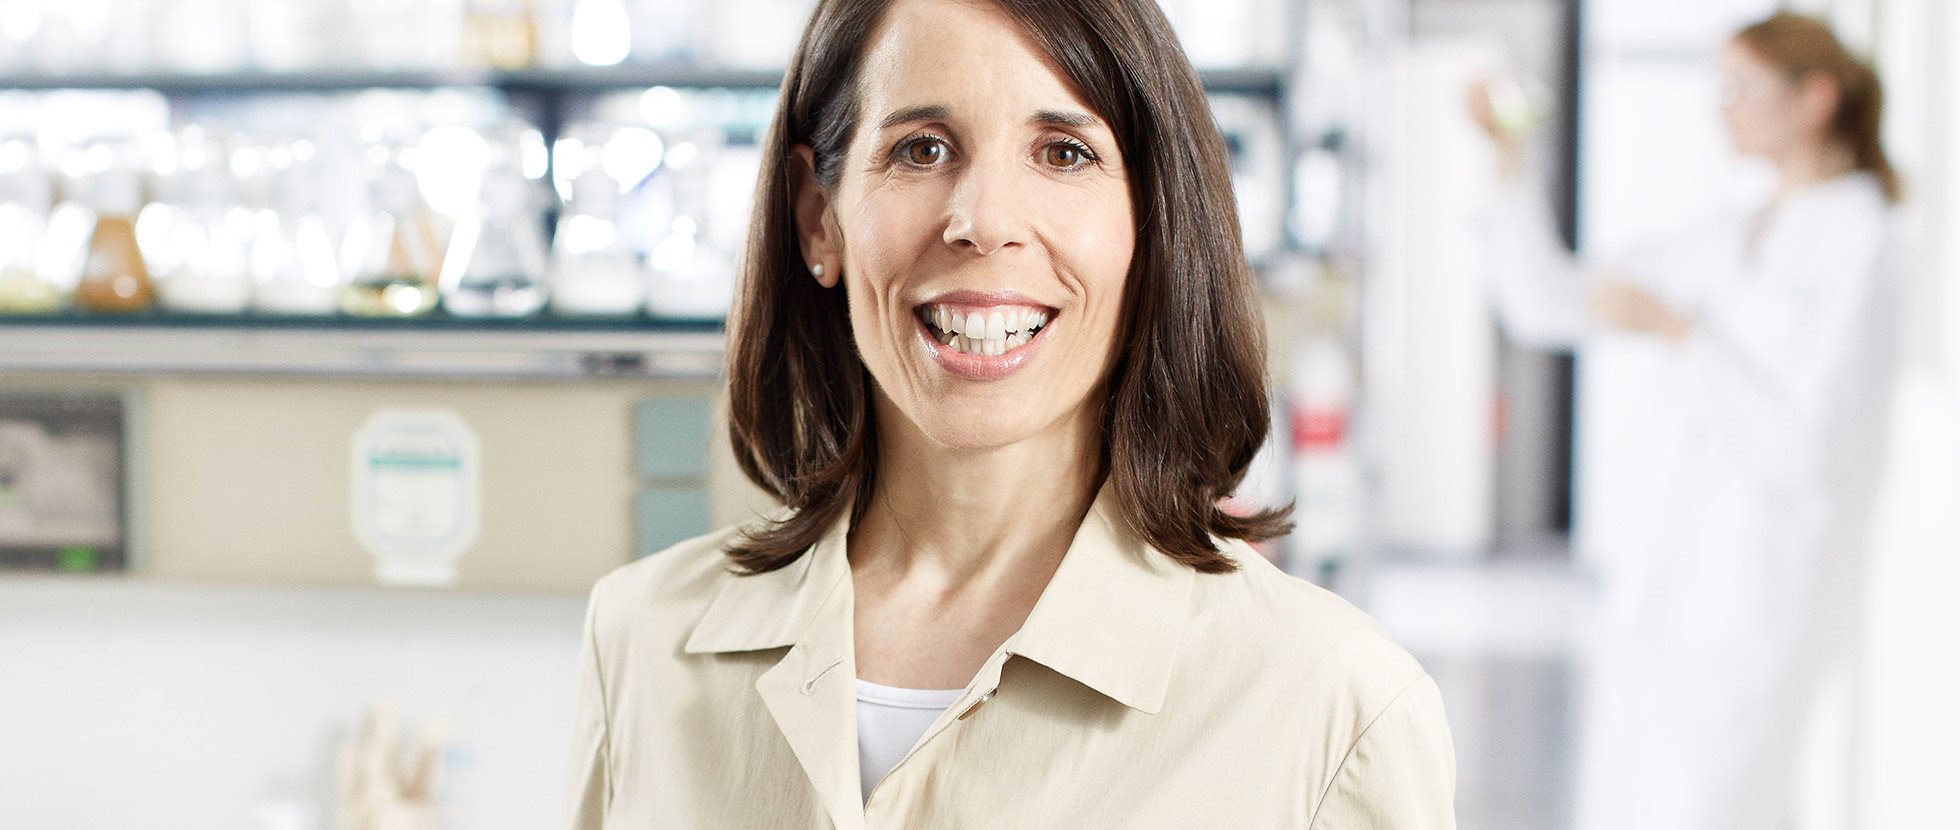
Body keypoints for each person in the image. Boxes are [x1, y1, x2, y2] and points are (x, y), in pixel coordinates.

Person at [564, 0, 1457, 826]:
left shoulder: (1334, 711)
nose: (983, 222)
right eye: (921, 149)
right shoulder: (641, 642)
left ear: (1152, 221)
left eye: (1064, 153)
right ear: (817, 219)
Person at [1471, 13, 1901, 829]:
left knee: (1716, 801)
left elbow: (1808, 445)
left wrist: (1680, 332)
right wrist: (1507, 155)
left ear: (1814, 98)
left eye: (1741, 87)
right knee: (1638, 797)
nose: (1722, 107)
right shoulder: (1728, 231)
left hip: (1758, 590)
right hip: (1661, 578)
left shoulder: (1861, 240)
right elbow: (1544, 302)